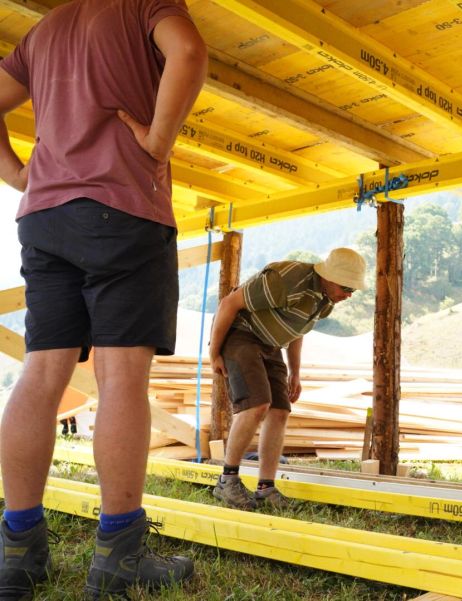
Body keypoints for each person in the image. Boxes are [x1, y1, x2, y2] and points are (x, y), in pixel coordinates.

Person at [0, 1, 206, 599]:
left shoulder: (46, 30)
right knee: (120, 380)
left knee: (41, 375)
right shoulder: (144, 3)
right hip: (122, 209)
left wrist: (17, 175)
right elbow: (189, 53)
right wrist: (160, 140)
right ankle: (118, 555)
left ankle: (17, 553)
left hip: (44, 218)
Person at [209, 248, 366, 510]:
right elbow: (229, 304)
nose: (348, 296)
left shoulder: (326, 300)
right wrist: (214, 353)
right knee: (256, 404)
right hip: (241, 333)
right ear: (329, 276)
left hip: (271, 344)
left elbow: (296, 329)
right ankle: (227, 481)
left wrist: (295, 371)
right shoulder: (287, 280)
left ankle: (266, 487)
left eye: (353, 291)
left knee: (280, 410)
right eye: (346, 287)